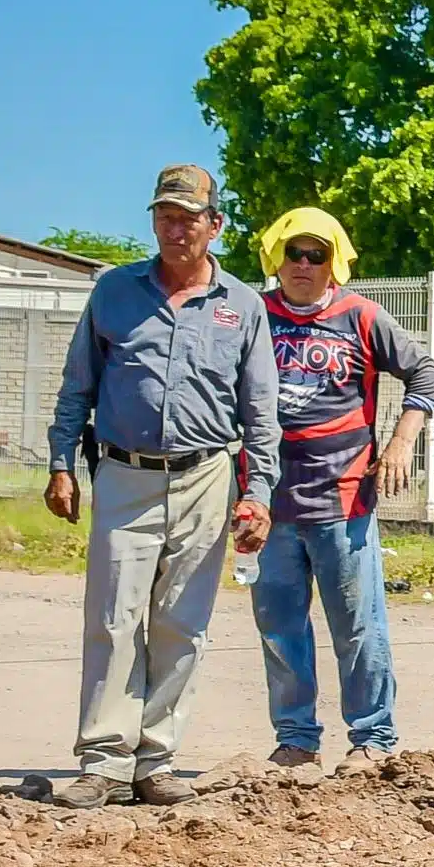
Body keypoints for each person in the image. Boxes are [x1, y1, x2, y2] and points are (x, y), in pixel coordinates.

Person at [41, 165, 278, 808]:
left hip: (206, 477)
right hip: (124, 475)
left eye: (189, 217)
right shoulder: (115, 292)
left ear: (215, 225)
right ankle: (103, 760)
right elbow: (76, 389)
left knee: (182, 623)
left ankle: (156, 759)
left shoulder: (242, 306)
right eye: (165, 216)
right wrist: (62, 462)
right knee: (114, 618)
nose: (176, 229)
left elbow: (260, 414)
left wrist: (258, 493)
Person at [247, 204, 434, 768]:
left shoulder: (362, 317)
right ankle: (296, 741)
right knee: (280, 630)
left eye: (317, 254)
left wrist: (402, 440)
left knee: (358, 629)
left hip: (343, 497)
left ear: (335, 264)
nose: (303, 264)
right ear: (276, 258)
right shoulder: (253, 317)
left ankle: (373, 741)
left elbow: (425, 372)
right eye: (294, 253)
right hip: (270, 503)